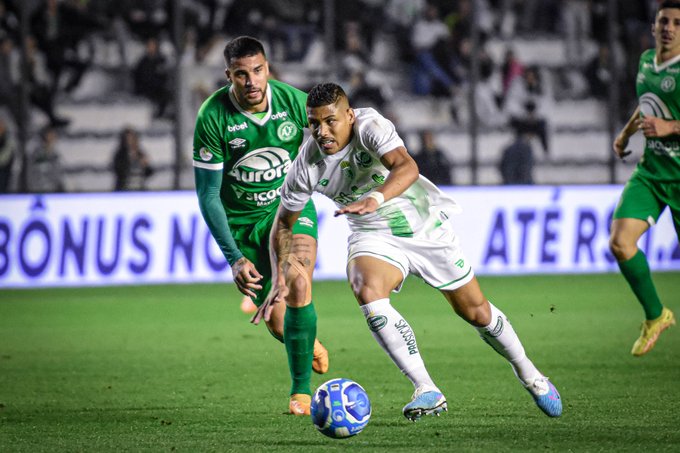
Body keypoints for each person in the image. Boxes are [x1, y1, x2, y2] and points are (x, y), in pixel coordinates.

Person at [265, 82, 562, 421]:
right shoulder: (307, 163)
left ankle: (531, 375)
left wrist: (375, 198)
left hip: (422, 225)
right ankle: (425, 388)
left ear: (349, 115)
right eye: (315, 123)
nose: (322, 131)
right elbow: (284, 223)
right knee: (366, 289)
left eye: (330, 121)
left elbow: (407, 167)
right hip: (372, 232)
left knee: (476, 311)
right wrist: (279, 274)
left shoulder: (371, 127)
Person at [192, 36, 328, 416]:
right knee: (277, 320)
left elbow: (336, 134)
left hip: (289, 210)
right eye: (241, 74)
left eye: (258, 70)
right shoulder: (213, 116)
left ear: (267, 68)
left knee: (298, 281)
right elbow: (208, 195)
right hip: (243, 226)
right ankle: (303, 337)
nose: (251, 81)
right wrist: (234, 258)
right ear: (229, 76)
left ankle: (300, 394)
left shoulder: (292, 102)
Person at [610, 1, 679, 357]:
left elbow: (664, 119)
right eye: (664, 21)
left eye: (677, 23)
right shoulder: (646, 61)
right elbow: (647, 104)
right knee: (620, 243)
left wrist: (671, 127)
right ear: (653, 26)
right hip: (651, 173)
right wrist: (625, 134)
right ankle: (656, 315)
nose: (669, 28)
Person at [112, 127, 154, 191]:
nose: (130, 141)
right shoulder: (120, 154)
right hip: (124, 189)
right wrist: (129, 160)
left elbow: (149, 173)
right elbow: (118, 171)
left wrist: (145, 165)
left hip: (139, 189)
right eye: (128, 138)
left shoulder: (140, 153)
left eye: (132, 138)